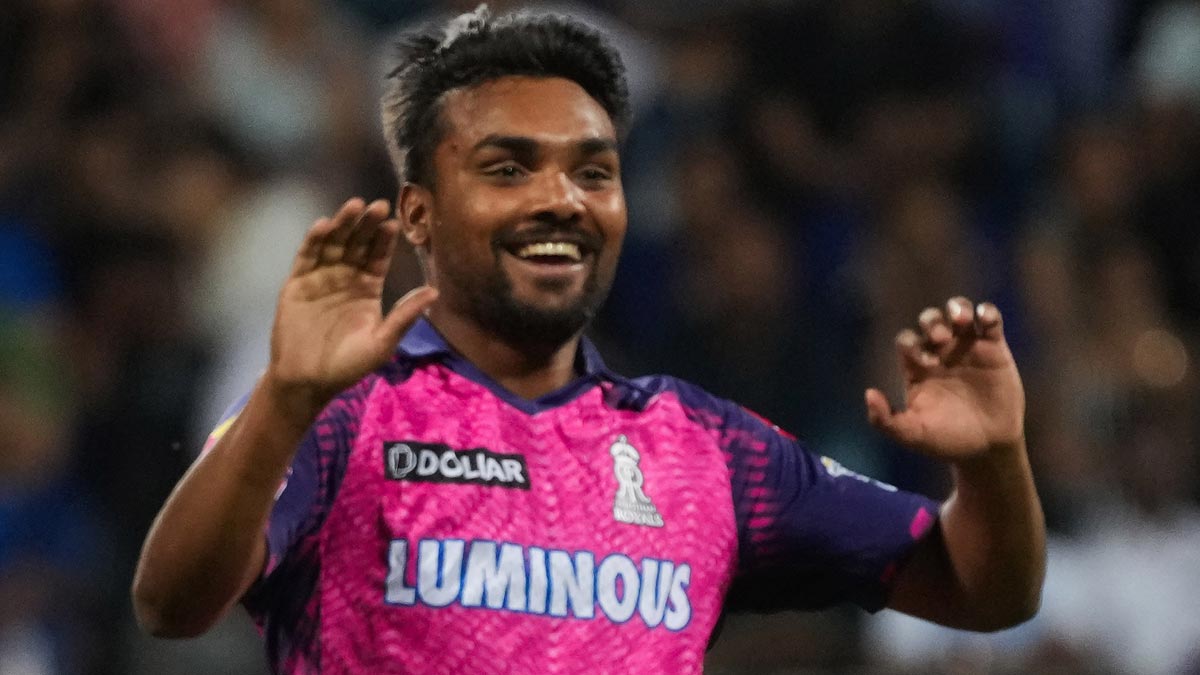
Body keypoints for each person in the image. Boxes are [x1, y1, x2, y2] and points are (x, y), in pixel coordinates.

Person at [131, 6, 1046, 673]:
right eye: (507, 168)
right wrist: (286, 400)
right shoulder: (343, 417)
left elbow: (984, 589)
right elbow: (170, 601)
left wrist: (995, 460)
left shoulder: (702, 448)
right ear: (418, 213)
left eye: (594, 172)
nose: (561, 199)